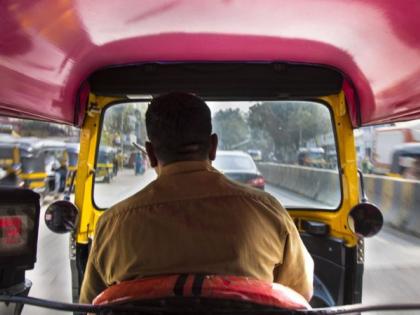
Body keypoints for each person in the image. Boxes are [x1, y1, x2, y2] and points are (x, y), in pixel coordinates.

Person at [80, 92, 314, 303]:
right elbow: (299, 294)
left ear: (150, 154)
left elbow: (91, 306)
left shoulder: (112, 224)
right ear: (213, 146)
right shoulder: (267, 211)